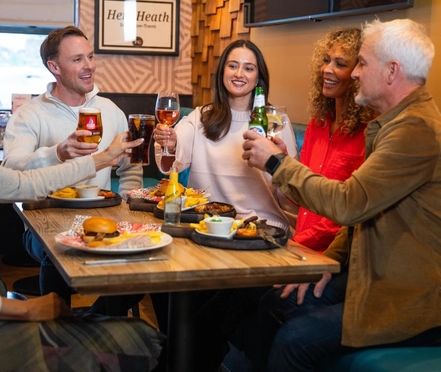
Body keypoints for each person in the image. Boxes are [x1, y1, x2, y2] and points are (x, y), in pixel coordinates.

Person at [241, 18, 441, 371]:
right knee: (271, 303)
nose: (357, 74)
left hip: (407, 300)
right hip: (370, 277)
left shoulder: (416, 130)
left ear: (392, 71)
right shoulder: (393, 122)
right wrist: (328, 266)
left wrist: (276, 163)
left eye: (362, 63)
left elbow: (349, 203)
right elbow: (366, 212)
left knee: (294, 340)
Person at [2, 25, 143, 313]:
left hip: (102, 217)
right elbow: (12, 171)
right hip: (45, 222)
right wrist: (58, 152)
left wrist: (127, 207)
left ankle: (95, 324)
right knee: (57, 247)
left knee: (142, 255)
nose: (89, 65)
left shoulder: (111, 111)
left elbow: (131, 168)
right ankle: (56, 327)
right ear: (54, 66)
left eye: (90, 57)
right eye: (77, 59)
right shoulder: (29, 115)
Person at [0, 135, 163, 371]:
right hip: (5, 326)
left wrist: (102, 160)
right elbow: (25, 183)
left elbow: (27, 183)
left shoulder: (110, 110)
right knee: (146, 340)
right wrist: (25, 309)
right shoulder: (30, 114)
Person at [153, 39, 298, 233]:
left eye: (248, 68)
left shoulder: (275, 122)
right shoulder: (200, 117)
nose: (239, 74)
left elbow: (290, 197)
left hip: (262, 227)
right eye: (232, 66)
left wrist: (281, 165)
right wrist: (167, 143)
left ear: (258, 78)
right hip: (207, 225)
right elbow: (171, 165)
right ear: (223, 72)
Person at [293, 28, 376, 252]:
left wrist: (294, 245)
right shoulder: (317, 123)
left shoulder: (371, 131)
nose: (326, 70)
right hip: (299, 247)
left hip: (333, 256)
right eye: (326, 60)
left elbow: (350, 211)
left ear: (359, 74)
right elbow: (303, 194)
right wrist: (280, 160)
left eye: (340, 64)